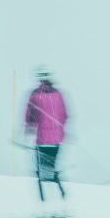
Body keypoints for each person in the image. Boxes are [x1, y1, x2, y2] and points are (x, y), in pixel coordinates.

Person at [25, 68, 69, 206]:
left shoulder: (35, 94)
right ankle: (62, 195)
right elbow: (65, 114)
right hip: (56, 141)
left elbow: (30, 115)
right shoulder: (58, 94)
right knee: (53, 170)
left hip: (42, 140)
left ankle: (43, 203)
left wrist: (29, 129)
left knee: (40, 173)